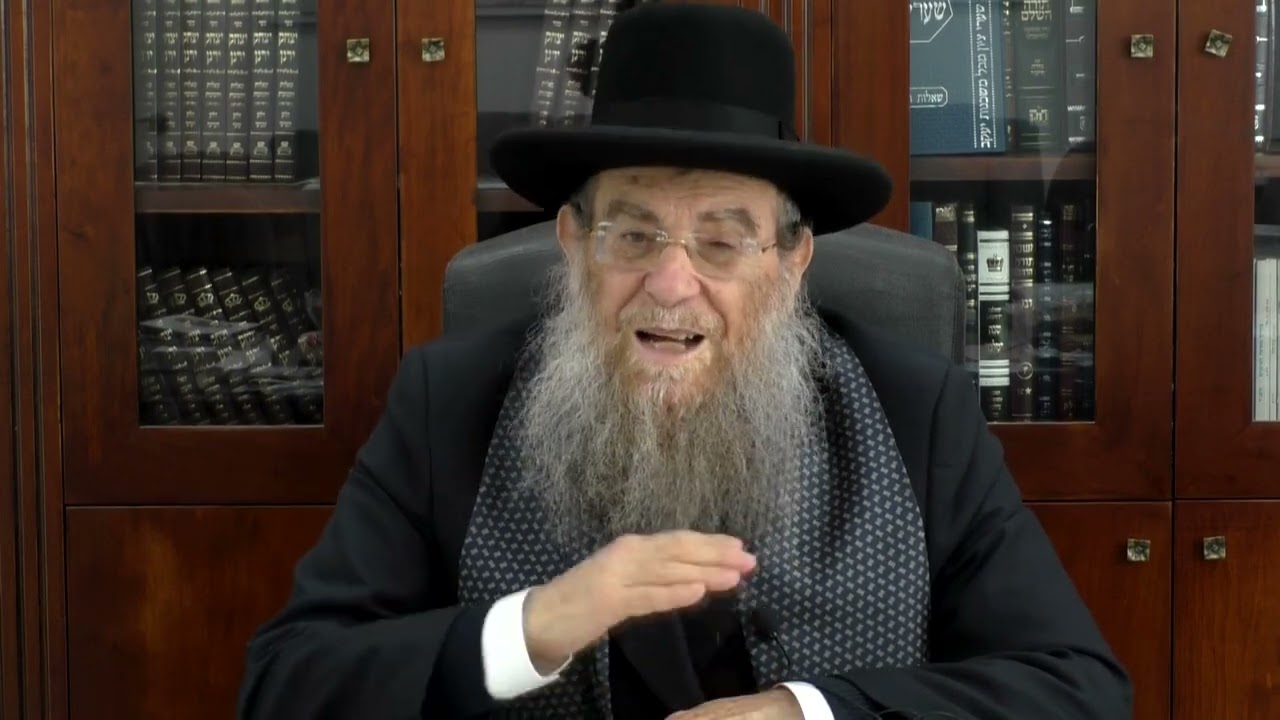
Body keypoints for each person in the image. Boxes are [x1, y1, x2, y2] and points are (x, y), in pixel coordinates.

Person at [237, 4, 1132, 719]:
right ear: (572, 243)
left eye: (722, 240)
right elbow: (287, 685)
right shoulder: (451, 401)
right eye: (632, 234)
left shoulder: (913, 408)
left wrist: (806, 712)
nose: (671, 284)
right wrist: (534, 627)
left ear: (792, 261)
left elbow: (1075, 688)